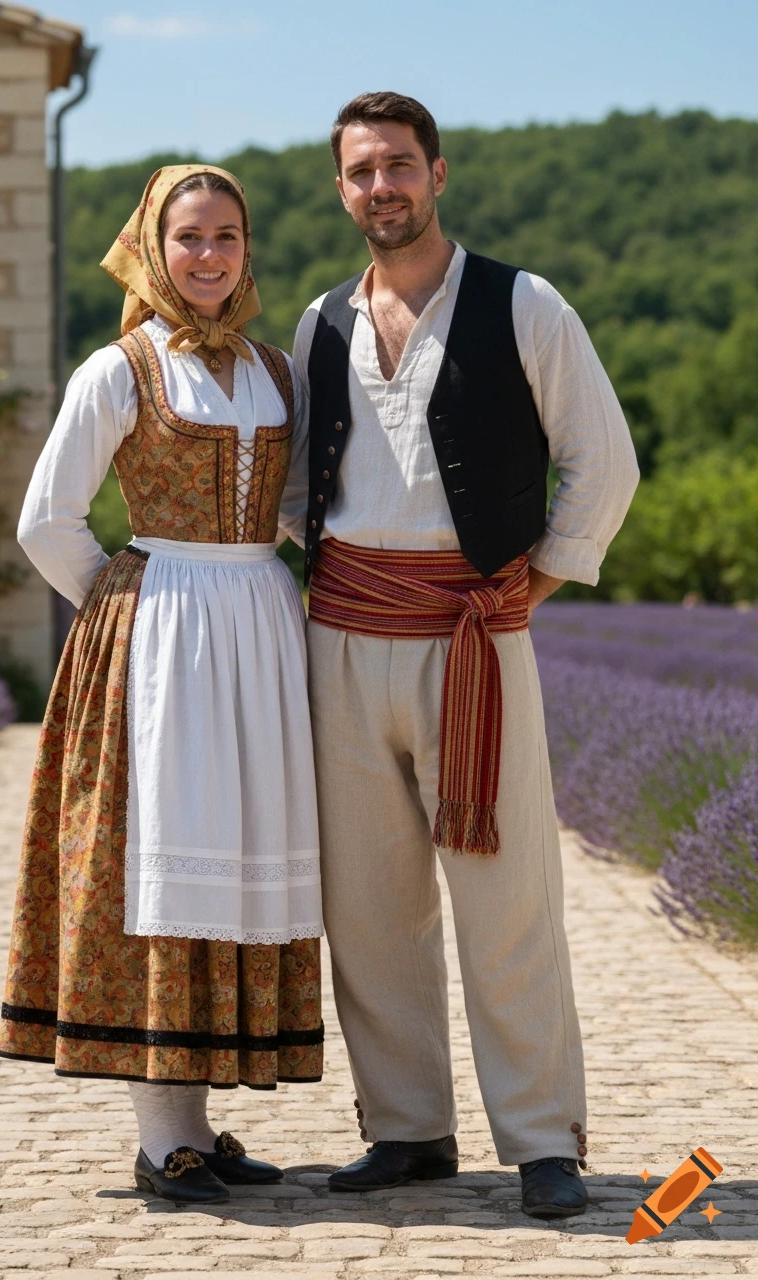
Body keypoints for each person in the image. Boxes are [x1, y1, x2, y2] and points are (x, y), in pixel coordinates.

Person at [282, 93, 639, 1218]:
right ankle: (406, 1128)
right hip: (343, 638)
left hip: (475, 641)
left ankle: (540, 1136)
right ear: (340, 190)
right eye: (360, 171)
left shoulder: (523, 304)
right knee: (370, 906)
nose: (380, 186)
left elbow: (603, 462)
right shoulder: (320, 320)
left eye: (398, 165)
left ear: (438, 175)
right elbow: (296, 490)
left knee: (507, 895)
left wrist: (524, 588)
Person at [0, 164, 324, 1206]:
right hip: (162, 633)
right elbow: (46, 518)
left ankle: (195, 1121)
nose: (209, 255)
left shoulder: (276, 369)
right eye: (188, 236)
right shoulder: (119, 369)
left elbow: (297, 508)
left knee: (233, 853)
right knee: (160, 859)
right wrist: (121, 603)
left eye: (226, 235)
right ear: (151, 247)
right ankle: (159, 1140)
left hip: (259, 625)